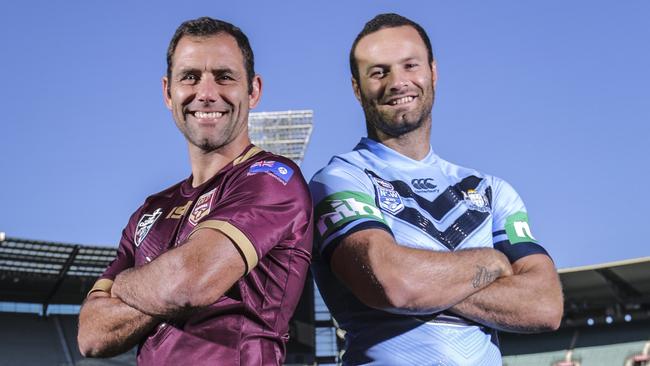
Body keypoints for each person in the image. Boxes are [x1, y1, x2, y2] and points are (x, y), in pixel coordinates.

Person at [310, 13, 563, 365]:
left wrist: (422, 280)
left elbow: (545, 305)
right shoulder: (340, 179)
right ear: (356, 88)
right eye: (378, 71)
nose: (397, 82)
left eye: (410, 65)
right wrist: (492, 262)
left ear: (433, 71)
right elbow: (391, 282)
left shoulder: (491, 190)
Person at [77, 17, 313, 365]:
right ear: (168, 93)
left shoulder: (273, 179)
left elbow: (189, 283)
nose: (205, 93)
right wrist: (165, 284)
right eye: (190, 77)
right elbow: (91, 335)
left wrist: (124, 285)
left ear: (254, 90)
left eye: (224, 76)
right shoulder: (150, 211)